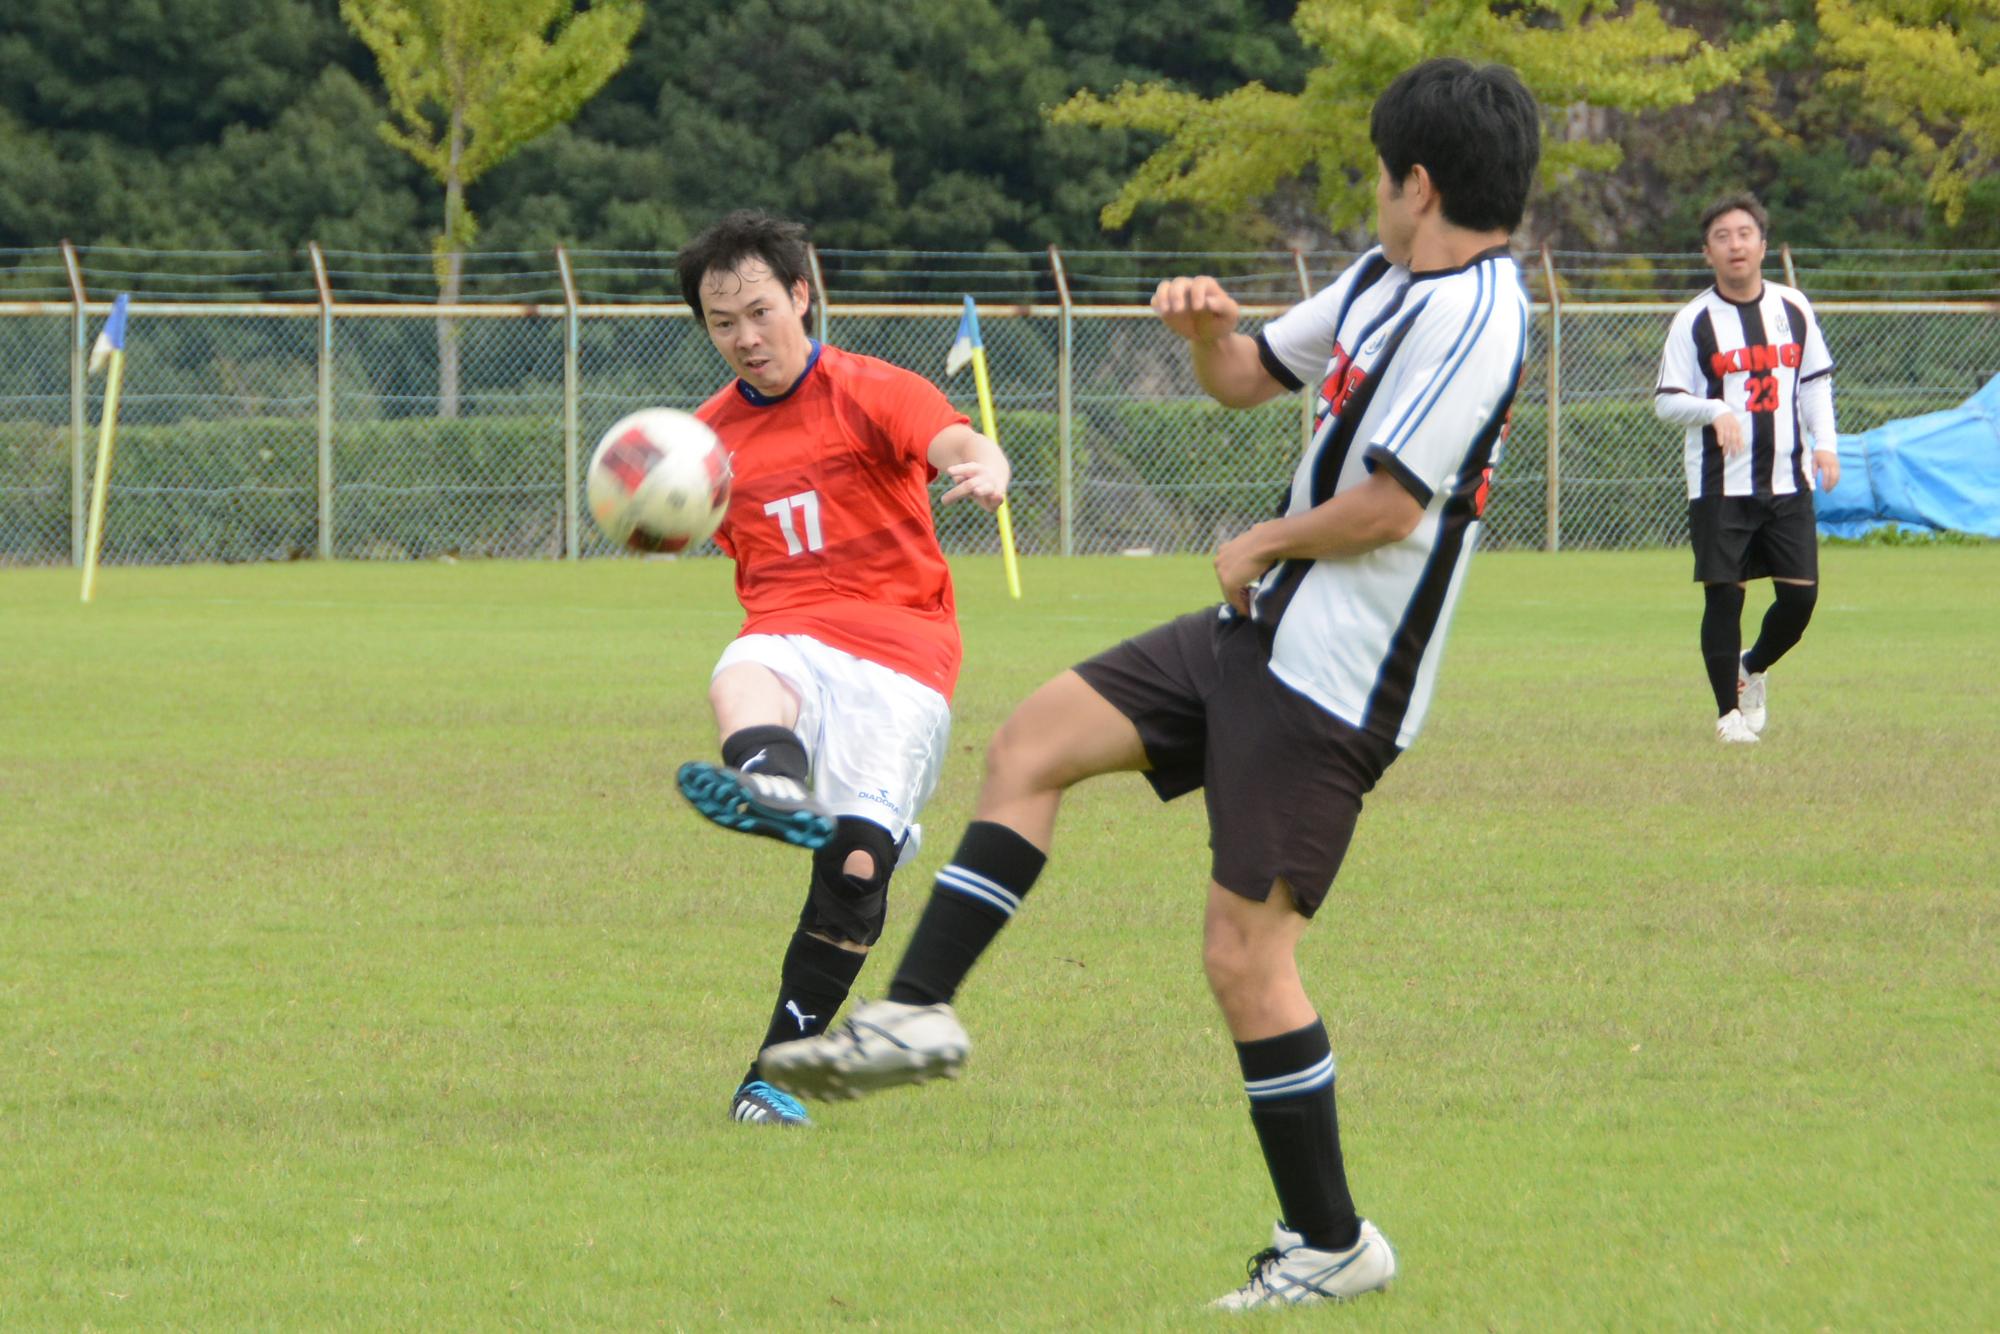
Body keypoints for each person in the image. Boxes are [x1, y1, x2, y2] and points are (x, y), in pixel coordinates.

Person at [761, 59, 1539, 1307]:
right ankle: (914, 1012)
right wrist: (1204, 334)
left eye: (1375, 172)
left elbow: (1394, 505)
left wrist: (1262, 538)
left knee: (1244, 956)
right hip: (1255, 630)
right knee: (1030, 742)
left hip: (1332, 679)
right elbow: (1242, 380)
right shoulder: (1387, 278)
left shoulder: (1479, 313)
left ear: (1419, 181)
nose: (1373, 193)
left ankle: (1331, 1240)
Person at [668, 210, 1010, 1128]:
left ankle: (774, 1073)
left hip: (902, 652)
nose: (745, 337)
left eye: (759, 312)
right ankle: (773, 790)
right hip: (788, 632)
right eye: (721, 322)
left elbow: (958, 442)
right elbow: (668, 510)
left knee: (860, 868)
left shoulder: (872, 389)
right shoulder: (704, 443)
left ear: (802, 297)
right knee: (743, 675)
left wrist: (987, 467)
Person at [1654, 194, 1839, 744]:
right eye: (1722, 237)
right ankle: (1728, 717)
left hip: (1788, 480)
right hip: (1719, 484)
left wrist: (1826, 444)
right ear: (1707, 252)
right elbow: (1666, 400)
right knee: (1724, 595)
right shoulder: (1693, 320)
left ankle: (1750, 666)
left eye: (1744, 234)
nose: (1735, 245)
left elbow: (1814, 383)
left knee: (1801, 598)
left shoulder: (1794, 308)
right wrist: (1714, 409)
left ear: (1762, 243)